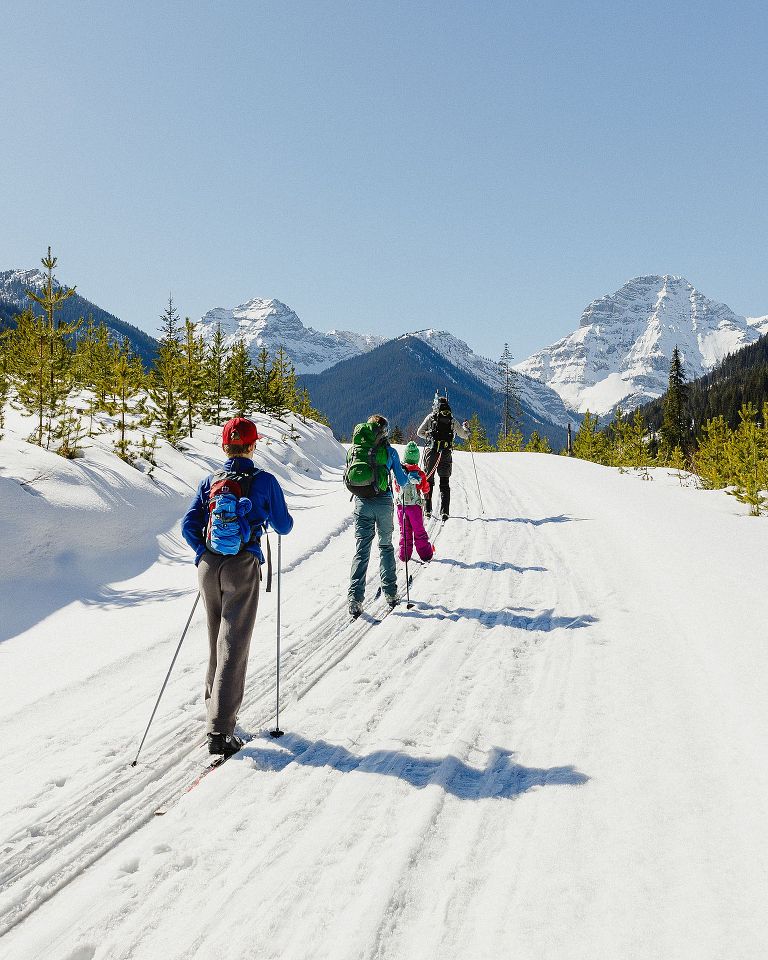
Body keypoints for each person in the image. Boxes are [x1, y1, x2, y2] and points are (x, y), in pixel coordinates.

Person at [182, 417, 293, 756]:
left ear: (224, 446)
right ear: (253, 445)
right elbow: (284, 526)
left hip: (208, 567)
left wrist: (203, 552)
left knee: (216, 637)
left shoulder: (209, 481)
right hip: (241, 566)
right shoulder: (265, 481)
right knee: (234, 643)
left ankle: (212, 706)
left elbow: (189, 525)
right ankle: (220, 730)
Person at [346, 414, 414, 619]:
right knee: (385, 546)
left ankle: (355, 599)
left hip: (361, 503)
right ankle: (391, 594)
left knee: (362, 549)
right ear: (383, 431)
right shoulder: (389, 451)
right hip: (383, 502)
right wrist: (409, 476)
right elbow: (402, 482)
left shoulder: (354, 450)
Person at [416, 396, 469, 520]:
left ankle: (428, 510)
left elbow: (419, 432)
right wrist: (466, 428)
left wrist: (428, 436)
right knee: (444, 482)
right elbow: (464, 435)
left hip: (431, 452)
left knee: (429, 481)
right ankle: (445, 512)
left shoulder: (431, 417)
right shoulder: (452, 419)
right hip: (446, 453)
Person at [394, 441, 435, 564]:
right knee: (419, 531)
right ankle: (426, 554)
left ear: (405, 457)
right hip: (415, 508)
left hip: (402, 507)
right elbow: (426, 488)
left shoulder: (400, 472)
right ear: (417, 458)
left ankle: (404, 555)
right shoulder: (420, 474)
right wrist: (424, 485)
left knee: (404, 531)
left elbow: (397, 488)